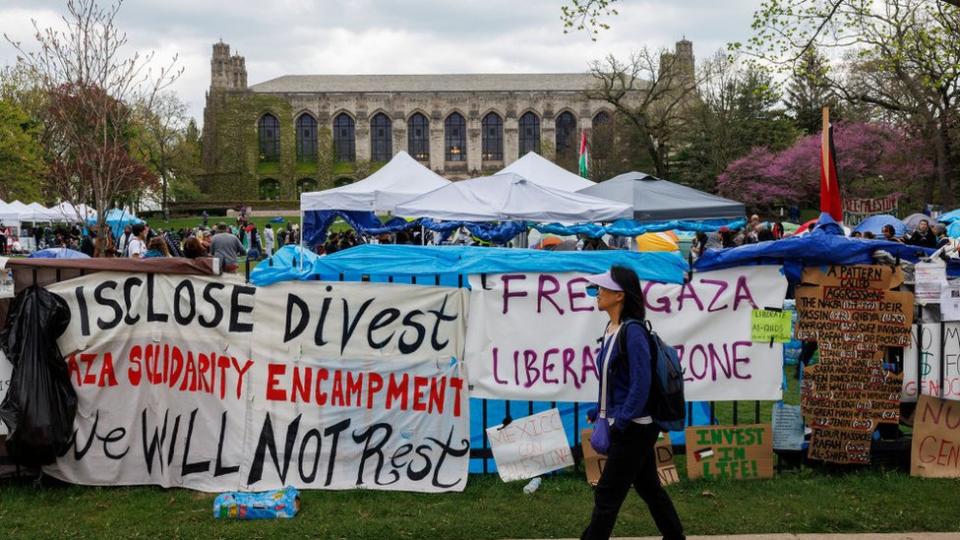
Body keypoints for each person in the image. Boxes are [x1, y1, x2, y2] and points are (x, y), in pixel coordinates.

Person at [581, 266, 685, 540]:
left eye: (603, 288)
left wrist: (622, 422)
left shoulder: (634, 332)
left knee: (607, 494)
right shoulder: (611, 329)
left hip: (635, 427)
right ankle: (675, 536)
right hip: (625, 422)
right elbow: (613, 380)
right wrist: (601, 410)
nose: (597, 293)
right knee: (649, 486)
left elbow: (642, 385)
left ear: (620, 296)